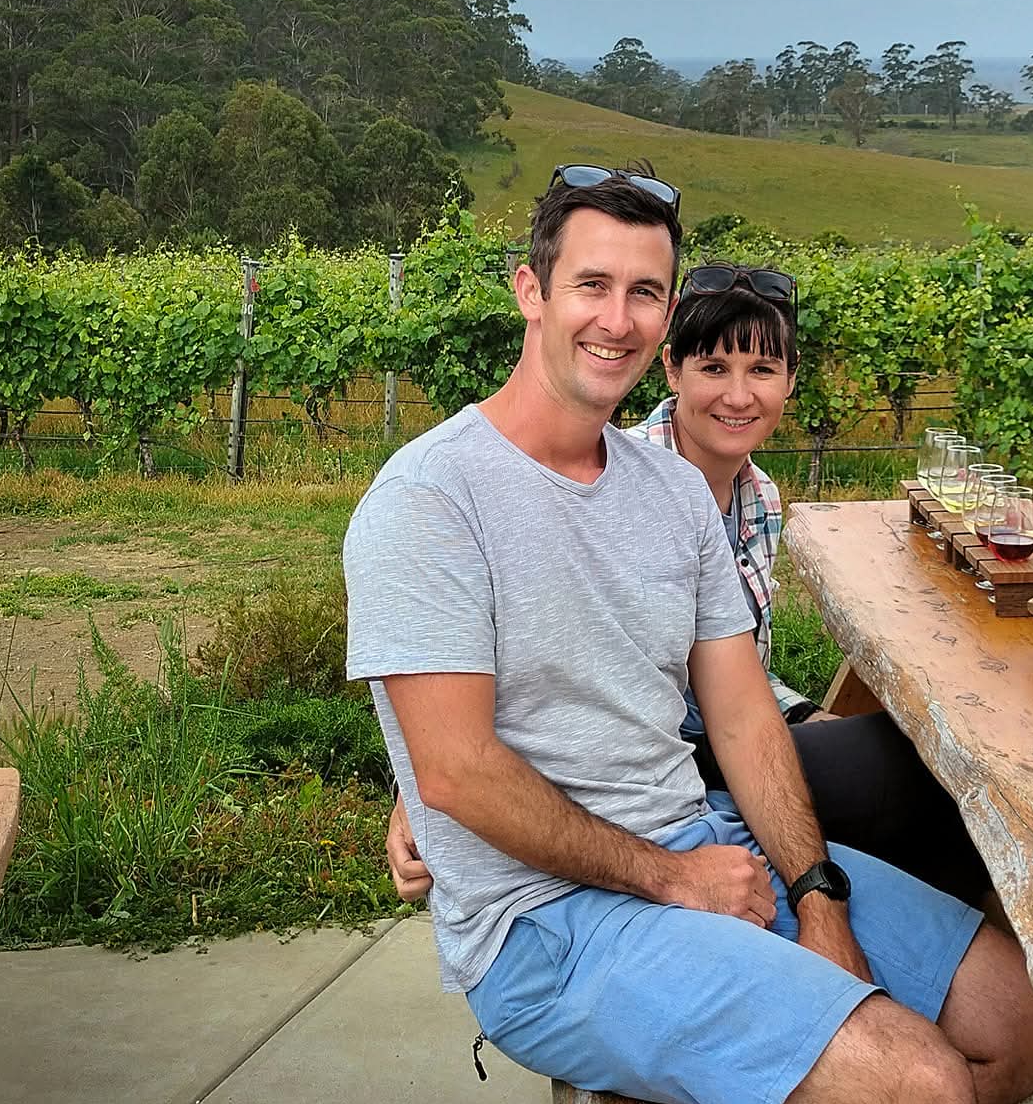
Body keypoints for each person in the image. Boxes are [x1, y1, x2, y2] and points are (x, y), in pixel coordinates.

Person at [343, 166, 1033, 1104]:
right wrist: (671, 879)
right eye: (592, 284)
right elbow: (453, 771)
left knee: (1028, 1016)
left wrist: (816, 899)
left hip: (703, 846)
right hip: (545, 927)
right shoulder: (428, 499)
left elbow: (742, 720)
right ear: (530, 291)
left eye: (644, 292)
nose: (618, 318)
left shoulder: (671, 491)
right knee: (917, 1081)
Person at [386, 260, 991, 910]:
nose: (738, 395)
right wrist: (413, 790)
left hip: (722, 734)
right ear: (672, 370)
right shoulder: (611, 484)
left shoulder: (760, 497)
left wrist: (798, 713)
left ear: (790, 381)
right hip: (644, 763)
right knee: (910, 770)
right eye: (714, 368)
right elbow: (530, 656)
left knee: (920, 764)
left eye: (762, 370)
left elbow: (732, 666)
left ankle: (911, 931)